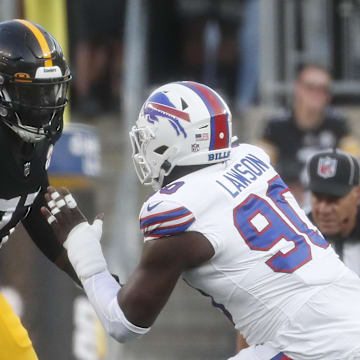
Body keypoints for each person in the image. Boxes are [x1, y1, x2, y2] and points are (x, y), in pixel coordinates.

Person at [42, 81, 360, 360]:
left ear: (174, 140)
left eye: (148, 137)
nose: (143, 148)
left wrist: (83, 250)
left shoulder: (177, 208)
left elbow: (123, 323)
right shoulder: (251, 158)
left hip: (313, 345)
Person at [0, 19, 76, 359]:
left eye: (49, 91)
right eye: (32, 93)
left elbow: (30, 202)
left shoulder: (35, 142)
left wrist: (88, 271)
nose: (44, 105)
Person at [258, 63, 359, 205]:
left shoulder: (338, 122)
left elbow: (354, 162)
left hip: (327, 199)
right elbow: (259, 163)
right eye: (310, 87)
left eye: (323, 89)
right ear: (297, 88)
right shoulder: (277, 124)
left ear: (329, 95)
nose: (316, 94)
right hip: (287, 200)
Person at [307, 149, 360, 276]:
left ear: (357, 195)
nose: (323, 209)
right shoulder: (295, 235)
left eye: (334, 199)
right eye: (317, 197)